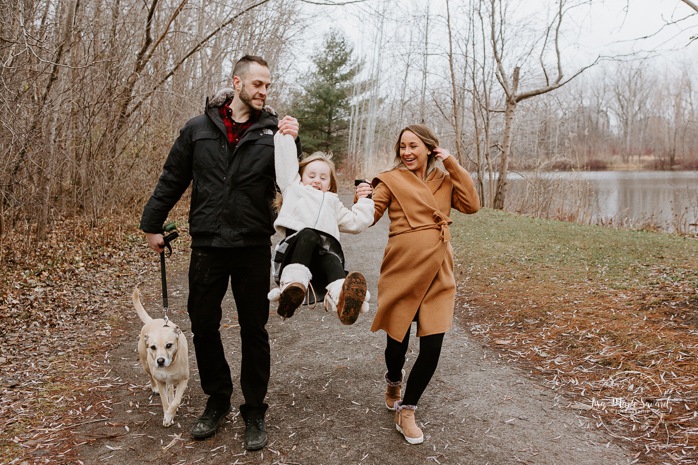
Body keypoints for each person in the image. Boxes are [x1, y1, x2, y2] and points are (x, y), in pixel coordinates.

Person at [139, 55, 300, 451]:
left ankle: (254, 409)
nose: (264, 91)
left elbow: (297, 183)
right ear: (237, 82)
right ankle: (217, 399)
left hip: (251, 245)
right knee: (203, 324)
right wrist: (151, 224)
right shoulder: (198, 129)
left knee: (253, 328)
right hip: (208, 243)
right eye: (258, 84)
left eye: (268, 85)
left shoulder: (274, 133)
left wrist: (294, 142)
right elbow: (173, 175)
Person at [368, 124, 480, 445]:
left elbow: (471, 205)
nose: (406, 152)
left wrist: (453, 164)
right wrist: (363, 199)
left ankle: (408, 409)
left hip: (439, 272)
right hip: (402, 270)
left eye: (413, 146)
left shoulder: (444, 180)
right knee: (396, 345)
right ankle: (393, 379)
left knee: (432, 347)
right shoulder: (391, 180)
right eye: (402, 146)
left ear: (429, 149)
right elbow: (372, 212)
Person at [266, 133, 374, 324]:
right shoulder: (293, 189)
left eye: (323, 178)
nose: (317, 180)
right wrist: (286, 136)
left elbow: (356, 222)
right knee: (309, 234)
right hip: (295, 254)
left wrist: (365, 199)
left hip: (320, 259)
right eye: (311, 175)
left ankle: (341, 299)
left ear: (331, 184)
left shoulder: (333, 202)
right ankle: (292, 287)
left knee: (333, 259)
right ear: (300, 177)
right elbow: (284, 165)